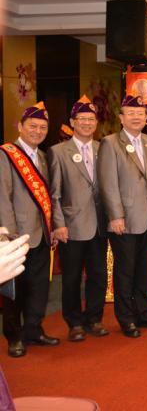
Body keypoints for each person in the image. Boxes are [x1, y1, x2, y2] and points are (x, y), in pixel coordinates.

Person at [97, 94, 147, 338]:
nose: (136, 117)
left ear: (146, 117)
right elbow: (108, 183)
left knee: (145, 270)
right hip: (124, 220)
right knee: (125, 271)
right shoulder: (110, 143)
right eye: (131, 113)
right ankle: (126, 318)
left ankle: (145, 313)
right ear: (121, 117)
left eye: (140, 113)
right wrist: (116, 216)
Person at [48, 95, 109, 342]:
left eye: (91, 119)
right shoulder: (58, 152)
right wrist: (59, 224)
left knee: (98, 275)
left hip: (100, 225)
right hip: (71, 226)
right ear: (72, 122)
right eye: (82, 119)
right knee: (71, 278)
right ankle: (74, 322)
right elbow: (54, 193)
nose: (86, 123)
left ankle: (94, 318)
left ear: (96, 123)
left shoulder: (103, 149)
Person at [0, 102, 59, 357]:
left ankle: (34, 330)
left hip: (42, 233)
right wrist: (9, 235)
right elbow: (3, 197)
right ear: (20, 126)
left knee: (38, 287)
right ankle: (14, 336)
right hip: (17, 236)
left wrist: (52, 227)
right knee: (16, 290)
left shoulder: (43, 157)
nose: (37, 131)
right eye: (32, 126)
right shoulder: (6, 154)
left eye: (43, 127)